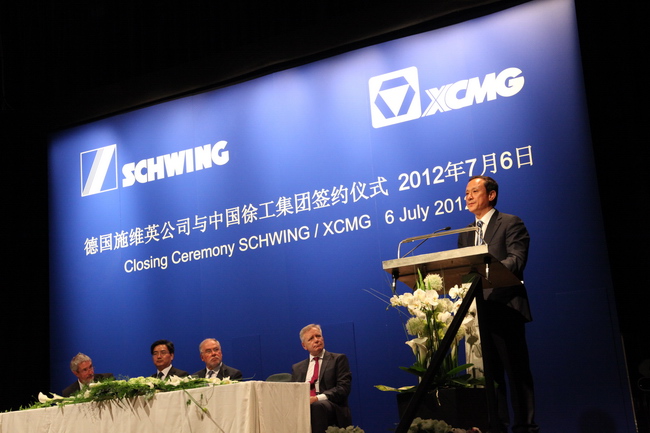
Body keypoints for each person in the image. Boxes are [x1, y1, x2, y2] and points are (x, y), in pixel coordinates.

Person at [458, 175, 539, 433]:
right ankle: (498, 426)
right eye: (466, 192)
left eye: (474, 191)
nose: (468, 197)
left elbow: (517, 260)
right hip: (480, 314)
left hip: (506, 309)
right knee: (490, 377)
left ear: (491, 195)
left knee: (516, 373)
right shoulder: (466, 234)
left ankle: (525, 426)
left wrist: (486, 273)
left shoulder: (511, 223)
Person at [291, 324, 352, 433]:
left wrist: (316, 398)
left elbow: (343, 389)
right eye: (311, 338)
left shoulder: (338, 359)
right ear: (304, 346)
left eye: (318, 336)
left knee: (317, 406)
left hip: (331, 405)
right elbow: (294, 393)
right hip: (305, 404)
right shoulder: (297, 368)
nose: (316, 340)